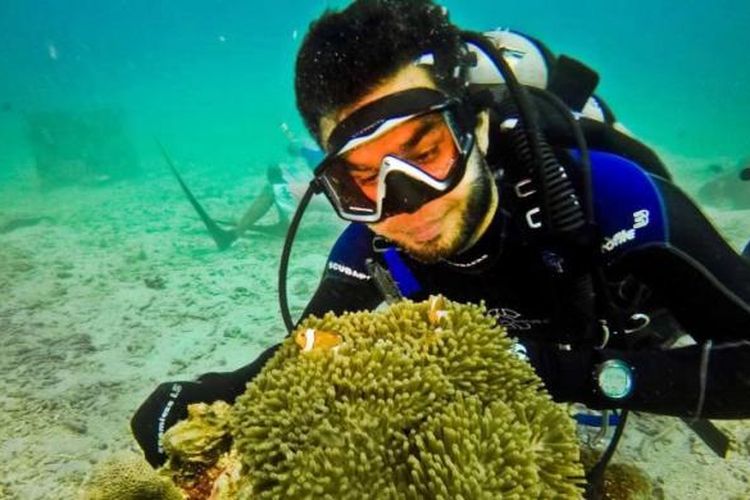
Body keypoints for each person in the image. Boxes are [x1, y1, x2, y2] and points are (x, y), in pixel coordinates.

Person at [133, 0, 750, 472]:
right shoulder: (372, 243)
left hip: (639, 323)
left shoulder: (609, 198)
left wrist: (583, 377)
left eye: (423, 152)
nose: (404, 205)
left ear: (476, 128)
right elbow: (313, 344)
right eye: (361, 178)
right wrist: (221, 390)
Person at [228, 123, 324, 240]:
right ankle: (283, 225)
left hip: (334, 193)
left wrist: (302, 150)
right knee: (276, 174)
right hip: (328, 186)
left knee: (271, 191)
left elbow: (323, 161)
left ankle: (233, 235)